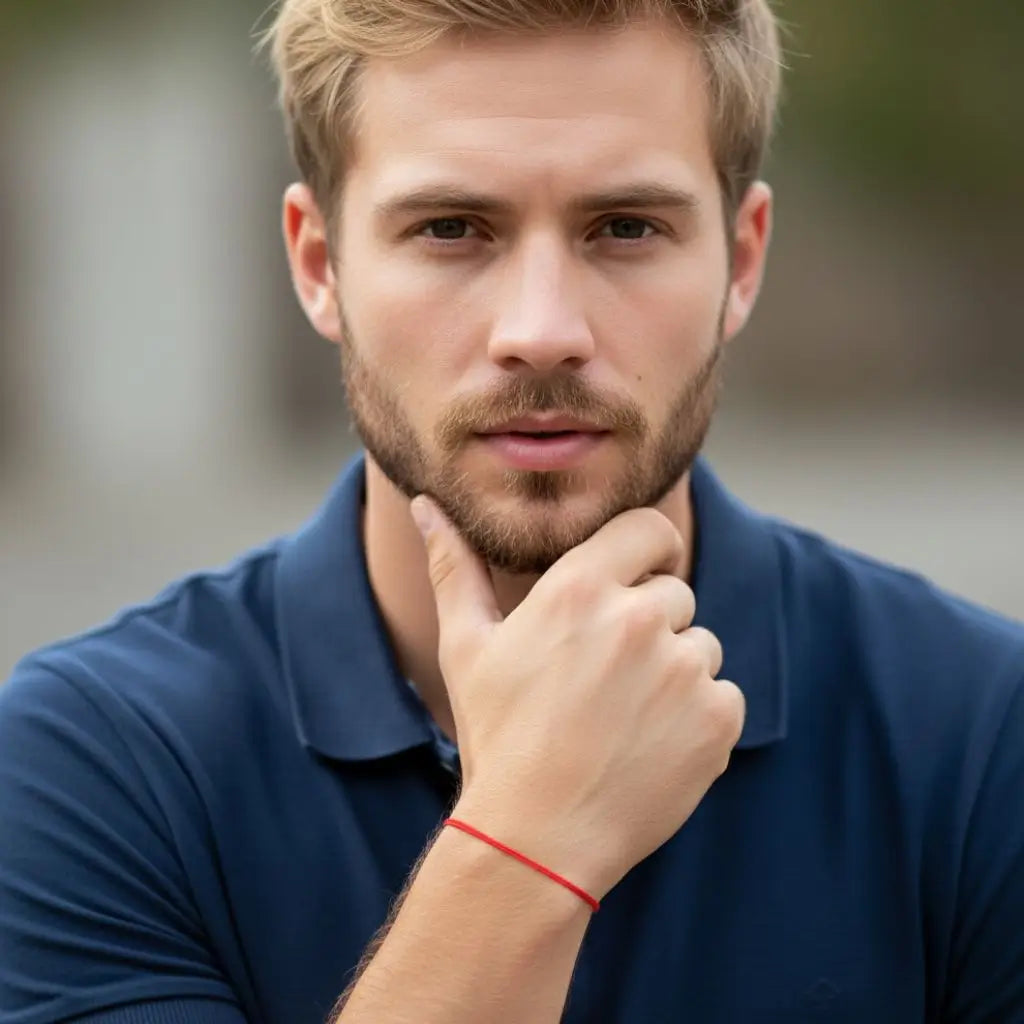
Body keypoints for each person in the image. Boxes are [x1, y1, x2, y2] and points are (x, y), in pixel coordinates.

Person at [2, 0, 1023, 1020]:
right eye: (451, 229)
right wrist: (527, 843)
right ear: (319, 264)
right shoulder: (90, 769)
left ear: (741, 260)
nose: (541, 330)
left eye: (625, 227)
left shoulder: (982, 733)